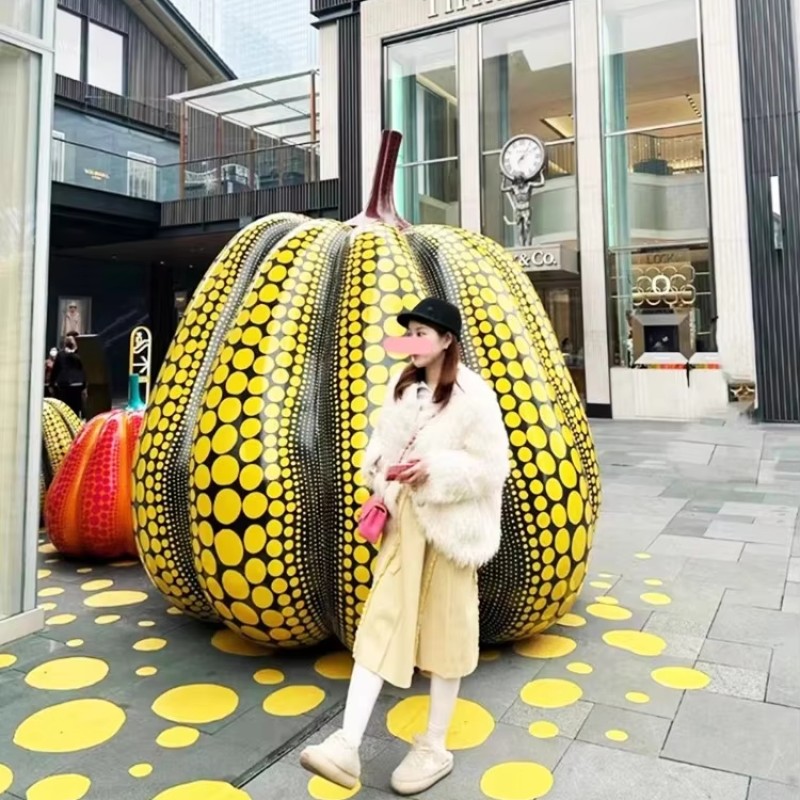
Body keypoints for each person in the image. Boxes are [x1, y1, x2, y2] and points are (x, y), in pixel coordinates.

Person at [300, 298, 510, 796]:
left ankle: (434, 746)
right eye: (408, 333)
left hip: (451, 531)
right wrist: (383, 471)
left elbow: (490, 468)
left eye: (422, 333)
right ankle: (346, 745)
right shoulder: (402, 391)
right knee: (381, 622)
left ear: (446, 340)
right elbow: (378, 448)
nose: (412, 342)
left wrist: (435, 471)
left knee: (448, 633)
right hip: (405, 525)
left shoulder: (474, 397)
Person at [50, 335, 86, 417]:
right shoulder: (80, 354)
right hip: (78, 384)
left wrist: (51, 384)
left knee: (64, 407)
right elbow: (84, 368)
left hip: (64, 384)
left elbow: (55, 370)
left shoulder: (61, 355)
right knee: (76, 407)